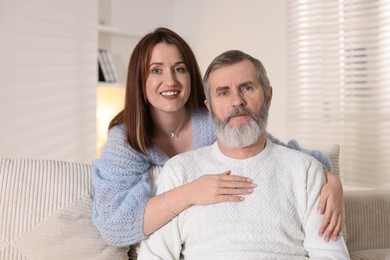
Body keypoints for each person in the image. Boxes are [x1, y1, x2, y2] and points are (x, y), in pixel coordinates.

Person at [91, 28, 343, 248]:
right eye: (156, 70)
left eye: (179, 69)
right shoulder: (125, 139)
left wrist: (331, 180)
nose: (170, 80)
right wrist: (190, 193)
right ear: (139, 80)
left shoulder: (213, 120)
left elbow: (279, 152)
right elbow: (113, 225)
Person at [138, 50, 349, 259]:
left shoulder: (305, 170)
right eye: (223, 92)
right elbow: (154, 256)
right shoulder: (179, 171)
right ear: (209, 107)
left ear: (268, 96)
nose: (237, 101)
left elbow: (331, 255)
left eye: (247, 88)